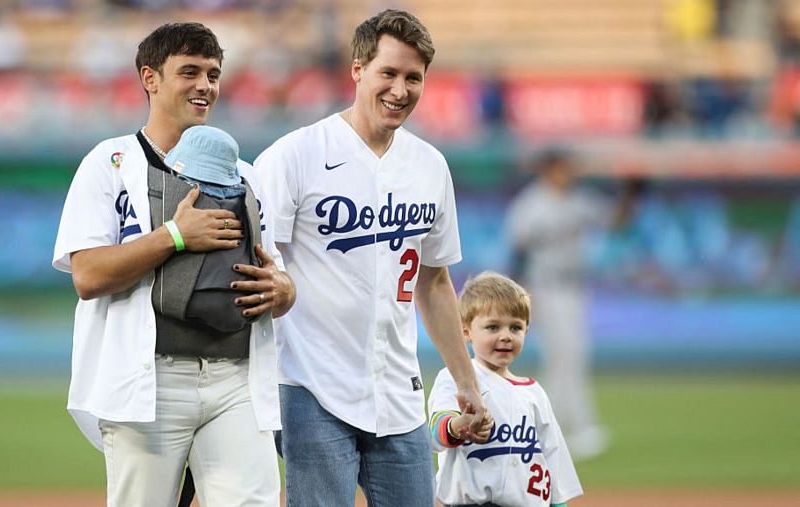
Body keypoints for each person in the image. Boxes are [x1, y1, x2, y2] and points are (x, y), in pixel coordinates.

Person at [51, 22, 294, 507]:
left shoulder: (245, 175)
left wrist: (283, 290)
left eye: (213, 73)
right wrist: (175, 237)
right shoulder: (110, 162)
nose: (205, 85)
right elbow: (88, 276)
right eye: (189, 72)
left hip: (236, 377)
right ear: (150, 78)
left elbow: (279, 275)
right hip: (151, 380)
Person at [255, 9, 490, 506]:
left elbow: (434, 281)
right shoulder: (294, 155)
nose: (400, 90)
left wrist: (468, 382)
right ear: (357, 68)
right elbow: (258, 263)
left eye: (413, 78)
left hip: (398, 393)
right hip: (309, 385)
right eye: (389, 73)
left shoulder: (429, 165)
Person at [505, 148, 640, 460]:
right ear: (548, 169)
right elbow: (517, 253)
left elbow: (616, 221)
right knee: (566, 356)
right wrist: (521, 299)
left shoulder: (580, 200)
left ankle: (539, 428)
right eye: (563, 168)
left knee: (565, 359)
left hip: (574, 287)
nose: (569, 173)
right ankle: (580, 427)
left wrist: (632, 192)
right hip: (543, 287)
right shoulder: (531, 204)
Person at [428, 271, 583, 507]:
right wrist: (459, 425)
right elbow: (436, 433)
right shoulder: (456, 377)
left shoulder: (534, 393)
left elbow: (553, 458)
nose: (506, 336)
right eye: (493, 327)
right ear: (466, 331)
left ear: (527, 331)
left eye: (515, 328)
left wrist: (558, 503)